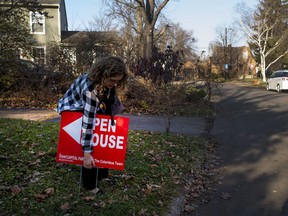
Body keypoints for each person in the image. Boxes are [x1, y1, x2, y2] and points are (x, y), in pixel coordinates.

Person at [56, 56, 128, 191]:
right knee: (91, 136)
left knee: (102, 130)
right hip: (73, 107)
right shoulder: (90, 89)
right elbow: (88, 122)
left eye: (118, 81)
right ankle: (90, 186)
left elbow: (107, 103)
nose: (115, 84)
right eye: (112, 81)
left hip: (90, 101)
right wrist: (87, 153)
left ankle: (102, 175)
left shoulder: (103, 81)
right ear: (103, 75)